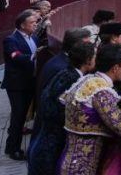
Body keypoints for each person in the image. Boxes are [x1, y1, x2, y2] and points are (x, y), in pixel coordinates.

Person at [58, 44, 121, 175]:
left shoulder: (87, 80)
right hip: (82, 168)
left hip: (68, 160)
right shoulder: (100, 91)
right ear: (115, 68)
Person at [28, 42, 96, 175]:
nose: (96, 60)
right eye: (94, 57)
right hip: (52, 146)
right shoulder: (74, 80)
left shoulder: (66, 73)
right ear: (88, 61)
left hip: (44, 140)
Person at [2, 10, 39, 160]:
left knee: (21, 116)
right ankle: (14, 149)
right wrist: (33, 56)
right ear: (22, 25)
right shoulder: (11, 39)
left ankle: (10, 146)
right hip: (17, 85)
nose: (35, 25)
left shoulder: (33, 37)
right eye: (32, 23)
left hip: (29, 82)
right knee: (18, 116)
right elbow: (14, 56)